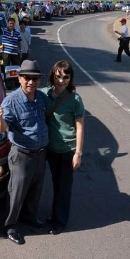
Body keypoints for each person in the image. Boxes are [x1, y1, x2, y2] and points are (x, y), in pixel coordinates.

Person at [0, 60, 48, 245]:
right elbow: (2, 128)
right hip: (22, 154)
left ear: (39, 80)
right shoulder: (11, 101)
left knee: (36, 188)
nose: (30, 82)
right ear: (19, 78)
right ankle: (10, 226)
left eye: (35, 78)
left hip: (40, 152)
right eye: (27, 78)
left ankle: (30, 217)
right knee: (16, 191)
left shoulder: (40, 97)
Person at [42, 60, 85, 236]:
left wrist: (78, 153)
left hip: (67, 150)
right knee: (55, 183)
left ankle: (60, 222)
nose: (62, 80)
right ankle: (54, 215)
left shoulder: (75, 99)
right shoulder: (44, 94)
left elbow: (80, 126)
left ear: (70, 78)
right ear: (53, 75)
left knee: (64, 187)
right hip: (50, 149)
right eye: (58, 76)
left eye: (66, 77)